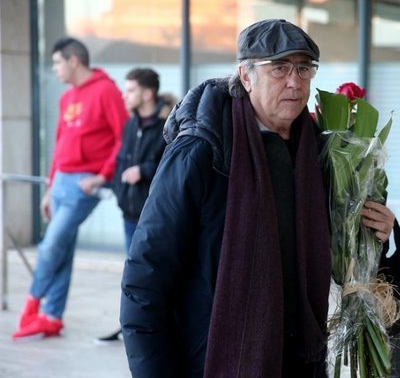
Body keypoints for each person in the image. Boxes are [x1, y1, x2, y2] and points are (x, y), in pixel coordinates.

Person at [119, 19, 395, 377]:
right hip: (216, 360)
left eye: (304, 68)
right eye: (279, 68)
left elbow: (354, 260)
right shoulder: (204, 152)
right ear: (245, 77)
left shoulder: (320, 156)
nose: (294, 81)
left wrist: (381, 235)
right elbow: (145, 278)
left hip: (301, 359)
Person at [12, 37, 129, 340]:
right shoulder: (66, 98)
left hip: (83, 183)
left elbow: (123, 139)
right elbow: (59, 144)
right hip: (61, 180)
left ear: (73, 61)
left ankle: (32, 302)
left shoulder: (106, 91)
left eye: (57, 63)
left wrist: (102, 177)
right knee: (61, 249)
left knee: (50, 245)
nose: (55, 69)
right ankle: (52, 316)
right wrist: (50, 189)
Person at [96, 68, 175, 343]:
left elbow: (174, 167)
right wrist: (119, 191)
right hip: (130, 213)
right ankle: (131, 326)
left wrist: (143, 169)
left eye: (129, 89)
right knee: (133, 275)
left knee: (152, 276)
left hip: (154, 216)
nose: (124, 94)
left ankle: (154, 328)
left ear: (147, 93)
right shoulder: (131, 125)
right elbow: (120, 161)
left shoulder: (168, 125)